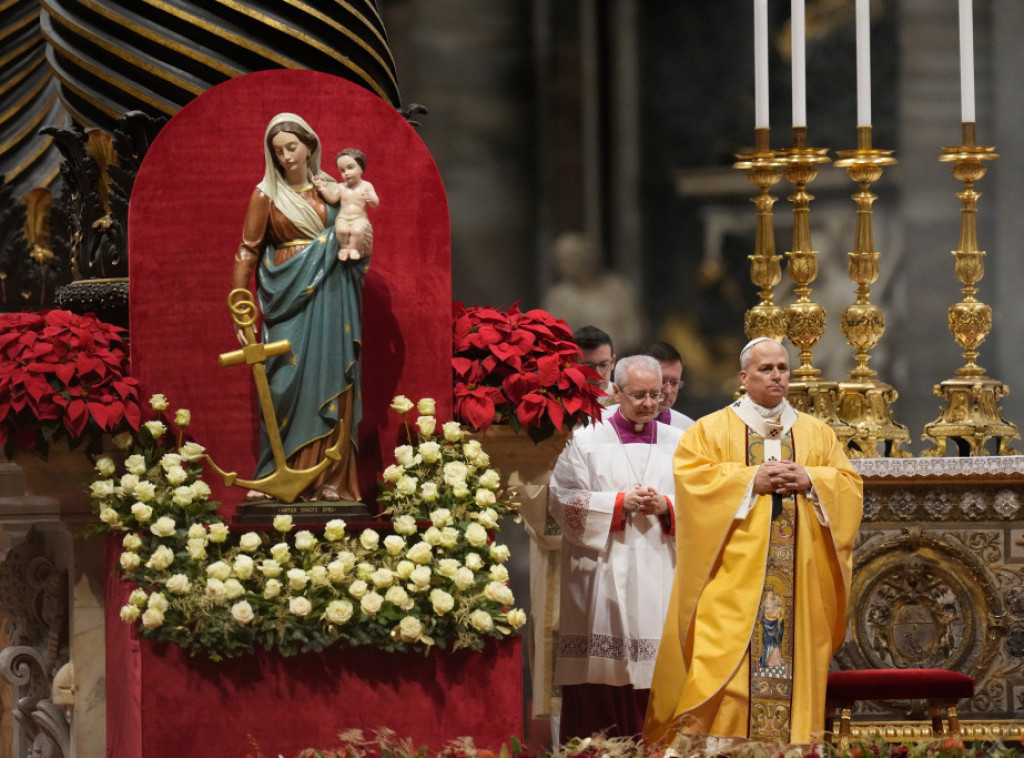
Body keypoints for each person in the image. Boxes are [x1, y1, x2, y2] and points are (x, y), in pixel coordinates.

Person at [644, 337, 863, 746]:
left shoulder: (817, 434)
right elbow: (692, 483)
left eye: (782, 368)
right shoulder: (710, 430)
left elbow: (849, 486)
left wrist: (812, 479)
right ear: (744, 377)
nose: (777, 375)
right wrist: (749, 480)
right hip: (732, 582)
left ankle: (793, 751)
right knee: (721, 668)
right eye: (766, 369)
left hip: (798, 585)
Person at [231, 113, 366, 503]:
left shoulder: (331, 191)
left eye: (292, 147)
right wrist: (239, 305)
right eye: (278, 151)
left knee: (334, 378)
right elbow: (247, 250)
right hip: (286, 296)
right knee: (282, 386)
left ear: (309, 146)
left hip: (333, 293)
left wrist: (359, 241)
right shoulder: (266, 195)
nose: (286, 157)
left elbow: (356, 232)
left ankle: (332, 481)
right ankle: (277, 474)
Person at [548, 354, 683, 740]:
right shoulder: (586, 439)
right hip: (602, 573)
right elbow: (561, 500)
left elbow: (705, 502)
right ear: (617, 392)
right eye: (639, 395)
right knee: (603, 678)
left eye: (656, 394)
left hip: (661, 570)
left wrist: (667, 506)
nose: (649, 403)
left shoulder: (682, 443)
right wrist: (617, 504)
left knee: (660, 673)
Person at [541, 232, 645, 353]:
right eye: (563, 260)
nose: (567, 266)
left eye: (574, 258)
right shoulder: (558, 298)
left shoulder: (616, 288)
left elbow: (635, 331)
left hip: (621, 356)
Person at [313, 148, 379, 261]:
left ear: (361, 167)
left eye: (350, 167)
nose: (346, 173)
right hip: (343, 218)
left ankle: (353, 248)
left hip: (359, 218)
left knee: (357, 231)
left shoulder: (366, 186)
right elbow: (332, 199)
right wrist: (323, 189)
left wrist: (372, 199)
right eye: (342, 170)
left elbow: (374, 204)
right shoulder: (340, 187)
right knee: (341, 230)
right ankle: (344, 248)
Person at [643, 341, 694, 431]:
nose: (668, 391)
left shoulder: (689, 430)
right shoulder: (614, 422)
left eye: (674, 383)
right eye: (662, 381)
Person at [573, 325, 616, 406]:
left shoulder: (626, 403)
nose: (597, 376)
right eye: (589, 367)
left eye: (603, 365)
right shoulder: (558, 401)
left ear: (612, 362)